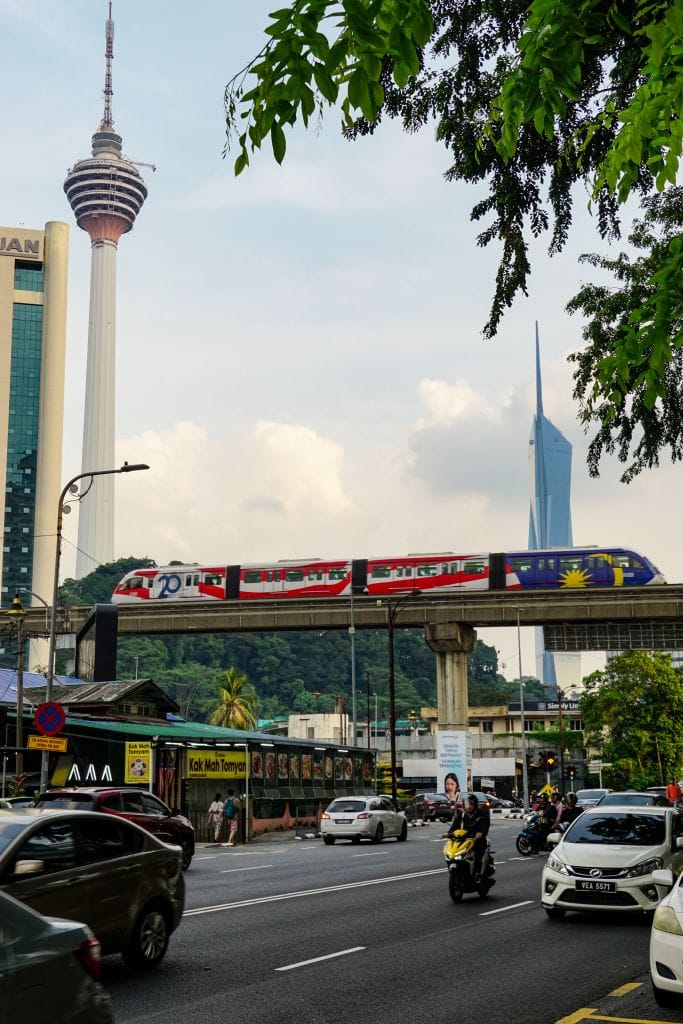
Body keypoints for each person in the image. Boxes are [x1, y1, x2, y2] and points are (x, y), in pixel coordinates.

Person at [446, 793, 490, 879]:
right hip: (463, 839)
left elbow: (485, 826)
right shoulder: (461, 816)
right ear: (463, 805)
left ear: (475, 805)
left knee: (478, 851)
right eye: (467, 804)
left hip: (476, 840)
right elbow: (454, 827)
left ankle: (477, 872)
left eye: (471, 804)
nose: (469, 806)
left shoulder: (481, 815)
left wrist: (481, 833)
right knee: (451, 851)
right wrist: (448, 833)